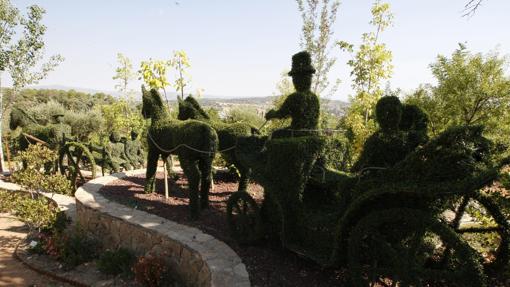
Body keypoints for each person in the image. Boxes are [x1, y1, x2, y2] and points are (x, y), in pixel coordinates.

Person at [265, 51, 320, 138]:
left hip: (297, 133)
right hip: (312, 134)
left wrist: (271, 114)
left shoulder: (295, 97)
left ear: (297, 79)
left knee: (275, 134)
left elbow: (282, 114)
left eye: (294, 78)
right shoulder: (314, 97)